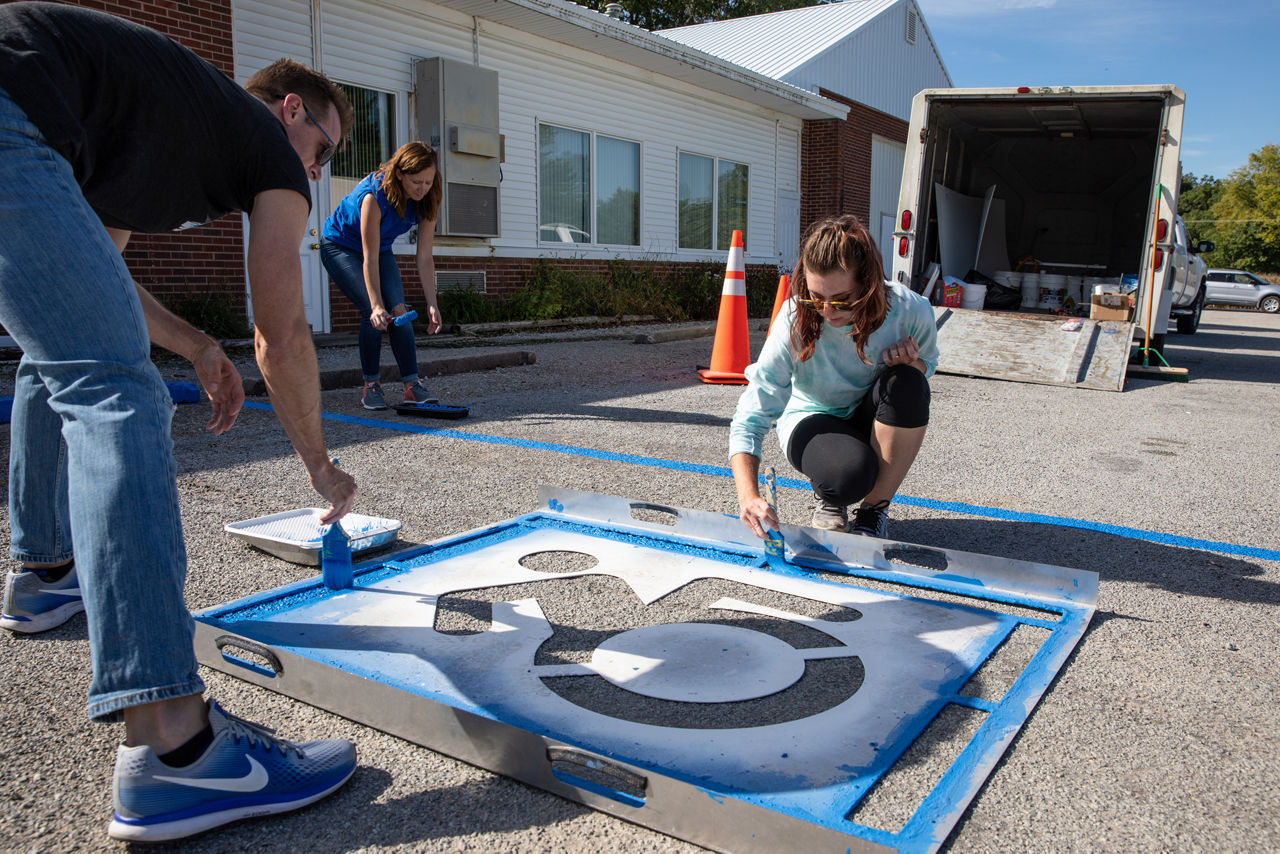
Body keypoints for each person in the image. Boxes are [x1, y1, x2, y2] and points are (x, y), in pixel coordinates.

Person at [0, 2, 360, 841]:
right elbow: (283, 332)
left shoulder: (138, 133)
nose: (317, 171)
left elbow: (96, 285)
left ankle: (43, 572)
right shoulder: (265, 149)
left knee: (65, 360)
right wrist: (320, 466)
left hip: (21, 101)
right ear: (290, 113)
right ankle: (177, 749)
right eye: (325, 150)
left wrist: (197, 345)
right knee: (119, 394)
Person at [730, 214, 938, 541]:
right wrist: (748, 497)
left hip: (871, 412)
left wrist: (912, 364)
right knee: (847, 477)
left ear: (869, 284)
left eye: (841, 299)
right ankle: (832, 498)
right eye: (815, 297)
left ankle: (873, 512)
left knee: (909, 383)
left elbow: (929, 363)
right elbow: (750, 417)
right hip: (812, 416)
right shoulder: (794, 321)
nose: (826, 311)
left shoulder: (912, 311)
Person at [321, 141, 444, 409]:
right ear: (400, 174)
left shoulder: (429, 197)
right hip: (340, 247)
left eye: (428, 181)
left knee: (400, 312)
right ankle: (371, 386)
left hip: (381, 249)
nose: (422, 188)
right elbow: (370, 257)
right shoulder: (373, 196)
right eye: (416, 182)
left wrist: (432, 303)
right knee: (373, 312)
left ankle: (412, 386)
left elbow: (424, 256)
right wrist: (377, 305)